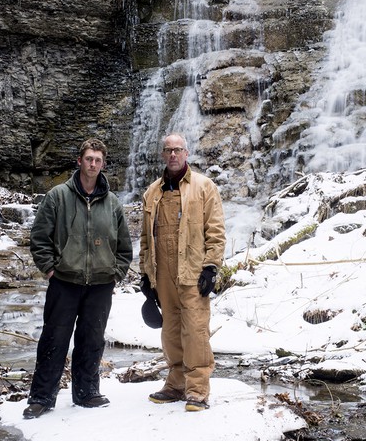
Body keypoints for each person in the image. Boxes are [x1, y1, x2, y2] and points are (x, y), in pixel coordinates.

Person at [23, 138, 133, 419]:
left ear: (103, 164)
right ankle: (42, 397)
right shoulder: (58, 196)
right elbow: (39, 238)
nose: (93, 164)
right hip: (64, 281)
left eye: (97, 160)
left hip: (100, 284)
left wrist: (115, 273)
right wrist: (50, 269)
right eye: (88, 159)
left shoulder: (112, 204)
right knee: (54, 339)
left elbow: (124, 246)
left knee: (92, 339)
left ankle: (86, 392)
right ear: (79, 161)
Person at [139, 133, 225, 411]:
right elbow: (144, 238)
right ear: (163, 155)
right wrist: (145, 273)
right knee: (171, 330)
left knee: (196, 330)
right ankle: (176, 384)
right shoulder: (152, 192)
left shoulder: (204, 186)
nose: (173, 155)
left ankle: (198, 389)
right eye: (168, 150)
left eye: (178, 150)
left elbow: (216, 230)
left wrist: (211, 267)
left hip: (192, 270)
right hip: (163, 272)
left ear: (187, 153)